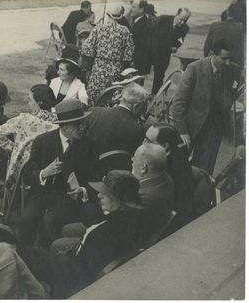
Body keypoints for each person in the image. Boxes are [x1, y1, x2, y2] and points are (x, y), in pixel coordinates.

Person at [21, 170, 144, 299]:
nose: (99, 196)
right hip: (81, 264)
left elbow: (80, 271)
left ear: (119, 199)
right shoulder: (131, 218)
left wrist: (60, 258)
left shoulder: (103, 234)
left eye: (105, 194)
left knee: (27, 257)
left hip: (73, 279)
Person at [22, 98, 101, 247]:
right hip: (43, 194)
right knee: (26, 220)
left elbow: (96, 178)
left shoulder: (90, 145)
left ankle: (49, 258)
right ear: (65, 126)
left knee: (50, 222)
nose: (83, 127)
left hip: (71, 200)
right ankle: (23, 258)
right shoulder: (43, 141)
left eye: (84, 123)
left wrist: (83, 190)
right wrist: (44, 173)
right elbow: (27, 174)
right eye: (78, 124)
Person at [171, 39, 241, 175]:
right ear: (212, 54)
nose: (227, 63)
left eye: (230, 58)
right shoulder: (194, 68)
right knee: (179, 166)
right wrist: (182, 131)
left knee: (204, 169)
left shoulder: (233, 70)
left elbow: (233, 93)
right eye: (224, 58)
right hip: (191, 126)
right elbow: (179, 102)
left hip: (214, 128)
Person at [0, 84, 58, 192]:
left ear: (39, 103)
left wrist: (16, 149)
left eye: (31, 101)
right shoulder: (60, 124)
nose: (28, 104)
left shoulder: (24, 120)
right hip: (52, 174)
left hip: (23, 175)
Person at [83, 83, 147, 168]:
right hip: (114, 172)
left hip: (85, 166)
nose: (144, 111)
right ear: (136, 106)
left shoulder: (93, 112)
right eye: (144, 107)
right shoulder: (138, 129)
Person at [81, 5, 134, 105]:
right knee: (112, 94)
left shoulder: (99, 28)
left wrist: (95, 56)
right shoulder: (125, 31)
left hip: (99, 66)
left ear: (108, 15)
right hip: (116, 67)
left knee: (95, 93)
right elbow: (129, 54)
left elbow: (86, 48)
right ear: (120, 17)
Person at [144, 123, 193, 229]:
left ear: (165, 146)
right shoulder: (161, 155)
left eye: (148, 141)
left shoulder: (176, 167)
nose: (143, 143)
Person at [132, 143, 174, 242]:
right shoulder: (167, 178)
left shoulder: (141, 198)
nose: (132, 160)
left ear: (143, 168)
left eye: (134, 158)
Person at [149, 8, 191, 94]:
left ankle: (154, 97)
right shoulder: (162, 20)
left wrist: (175, 47)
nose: (182, 22)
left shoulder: (185, 28)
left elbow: (180, 40)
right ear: (177, 14)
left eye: (185, 20)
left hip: (164, 54)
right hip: (150, 50)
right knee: (142, 73)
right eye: (181, 19)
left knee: (159, 76)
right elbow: (150, 34)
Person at [131, 0, 152, 76]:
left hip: (137, 64)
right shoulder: (141, 22)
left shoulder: (142, 25)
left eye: (133, 7)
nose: (131, 9)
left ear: (141, 9)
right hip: (139, 63)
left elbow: (141, 46)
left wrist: (133, 61)